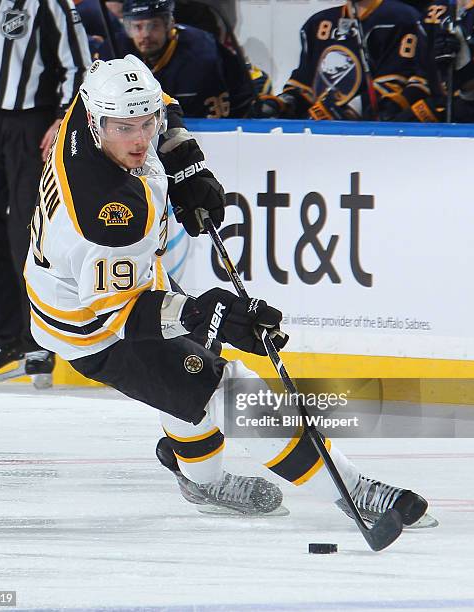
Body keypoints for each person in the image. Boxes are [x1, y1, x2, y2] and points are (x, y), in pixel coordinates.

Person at [23, 55, 437, 527]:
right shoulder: (109, 212)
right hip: (96, 329)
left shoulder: (98, 100)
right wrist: (204, 312)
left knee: (188, 382)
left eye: (146, 124)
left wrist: (185, 163)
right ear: (98, 124)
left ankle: (199, 478)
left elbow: (162, 106)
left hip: (106, 284)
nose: (140, 140)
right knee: (228, 388)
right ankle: (353, 490)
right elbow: (122, 317)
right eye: (124, 129)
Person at [0, 0, 92, 384]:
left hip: (33, 125)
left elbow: (77, 62)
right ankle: (7, 336)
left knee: (28, 236)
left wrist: (64, 116)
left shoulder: (49, 5)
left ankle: (41, 338)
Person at [253, 0, 431, 121]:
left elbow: (396, 83)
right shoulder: (319, 23)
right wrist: (280, 103)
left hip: (370, 135)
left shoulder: (400, 19)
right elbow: (304, 85)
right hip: (317, 131)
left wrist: (349, 110)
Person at [114, 0, 254, 118]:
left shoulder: (202, 54)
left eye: (154, 26)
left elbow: (217, 123)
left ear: (169, 25)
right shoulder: (115, 47)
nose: (145, 35)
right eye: (137, 27)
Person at [395, 0, 474, 122]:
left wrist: (464, 72)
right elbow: (422, 75)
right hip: (444, 104)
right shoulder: (434, 11)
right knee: (401, 124)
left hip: (469, 104)